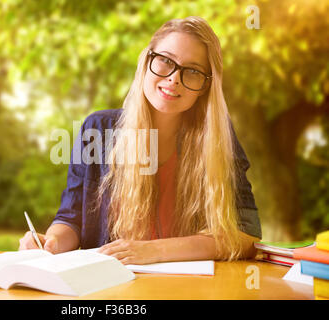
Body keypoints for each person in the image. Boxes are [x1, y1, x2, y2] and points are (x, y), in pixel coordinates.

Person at [19, 16, 262, 264]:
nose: (174, 79)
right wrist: (52, 243)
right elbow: (71, 219)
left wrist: (154, 251)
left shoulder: (216, 138)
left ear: (206, 86)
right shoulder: (98, 129)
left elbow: (247, 236)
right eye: (166, 61)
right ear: (147, 61)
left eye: (192, 71)